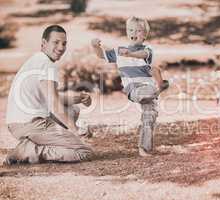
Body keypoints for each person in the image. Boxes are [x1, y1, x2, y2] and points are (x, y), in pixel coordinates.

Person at [4, 25, 95, 165]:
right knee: (84, 152)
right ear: (44, 43)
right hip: (32, 123)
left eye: (64, 43)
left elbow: (49, 97)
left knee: (73, 110)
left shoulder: (36, 60)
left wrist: (78, 98)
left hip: (16, 124)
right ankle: (29, 151)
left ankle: (37, 143)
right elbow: (53, 103)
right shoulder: (47, 65)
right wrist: (75, 129)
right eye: (56, 42)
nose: (61, 47)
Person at [91, 16, 169, 156]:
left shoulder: (148, 49)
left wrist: (130, 53)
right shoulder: (119, 51)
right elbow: (101, 55)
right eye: (131, 30)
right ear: (127, 32)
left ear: (145, 34)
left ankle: (144, 148)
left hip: (148, 86)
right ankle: (160, 87)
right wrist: (95, 46)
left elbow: (142, 54)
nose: (134, 33)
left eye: (138, 30)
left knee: (150, 115)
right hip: (133, 88)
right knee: (146, 93)